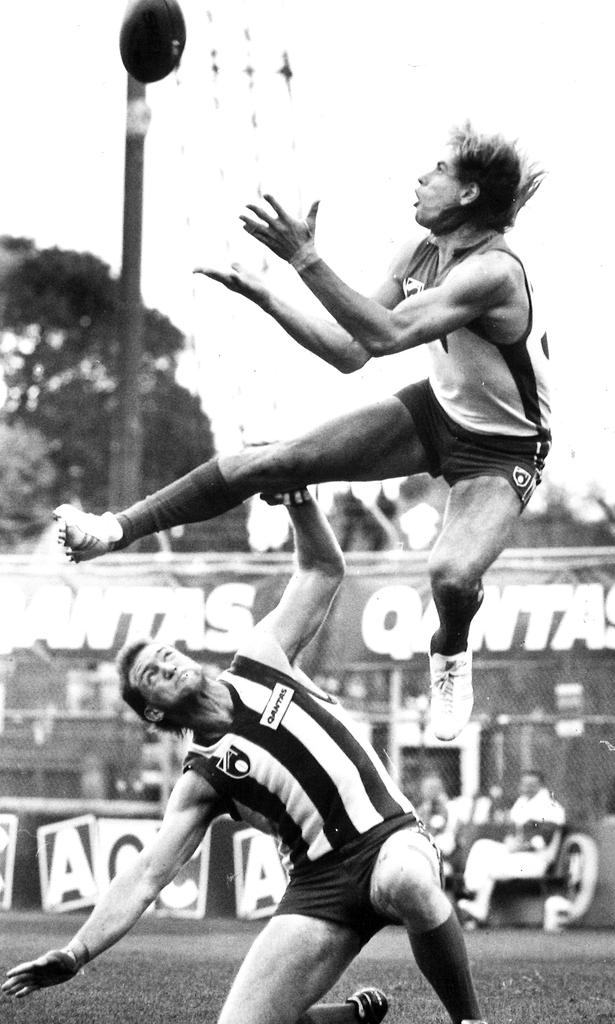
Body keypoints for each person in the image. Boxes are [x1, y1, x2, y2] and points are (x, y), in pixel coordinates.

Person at [53, 121, 551, 743]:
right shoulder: (419, 250)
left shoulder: (494, 272)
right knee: (270, 462)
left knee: (451, 575)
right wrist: (269, 293)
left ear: (470, 195)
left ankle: (450, 654)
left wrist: (306, 259)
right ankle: (112, 530)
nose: (421, 181)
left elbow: (387, 335)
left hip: (504, 447)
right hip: (438, 412)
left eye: (438, 173)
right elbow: (349, 351)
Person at [3, 488, 486, 1024]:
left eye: (165, 653)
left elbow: (323, 570)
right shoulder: (203, 778)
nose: (165, 664)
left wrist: (300, 501)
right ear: (156, 715)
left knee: (407, 883)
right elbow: (146, 875)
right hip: (320, 889)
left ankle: (469, 1019)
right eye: (151, 676)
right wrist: (76, 953)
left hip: (390, 839)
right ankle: (349, 1018)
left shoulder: (260, 659)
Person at [457, 769, 565, 927]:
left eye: (532, 785)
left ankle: (478, 904)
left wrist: (523, 845)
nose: (527, 788)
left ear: (541, 785)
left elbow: (544, 839)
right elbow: (512, 830)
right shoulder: (522, 802)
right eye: (525, 784)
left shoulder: (551, 807)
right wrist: (510, 840)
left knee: (490, 866)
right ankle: (473, 893)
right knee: (482, 846)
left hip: (536, 861)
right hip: (516, 856)